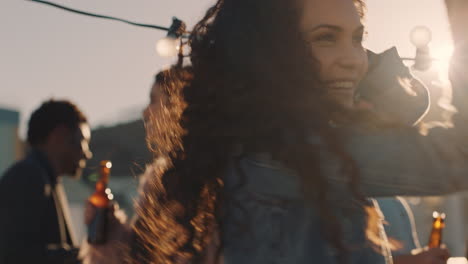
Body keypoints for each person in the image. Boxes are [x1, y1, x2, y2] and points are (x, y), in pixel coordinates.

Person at [127, 0, 468, 263]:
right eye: (325, 38)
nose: (353, 57)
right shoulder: (293, 151)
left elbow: (405, 108)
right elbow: (458, 157)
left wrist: (347, 63)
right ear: (270, 54)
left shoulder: (264, 142)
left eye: (357, 38)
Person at [79, 66, 192, 264]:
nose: (145, 112)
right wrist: (111, 225)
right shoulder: (158, 177)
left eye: (154, 100)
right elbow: (137, 252)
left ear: (179, 106)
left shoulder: (210, 178)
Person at [0, 99, 92, 264]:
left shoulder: (44, 178)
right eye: (83, 141)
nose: (87, 154)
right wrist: (88, 254)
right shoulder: (27, 177)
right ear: (60, 135)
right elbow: (14, 255)